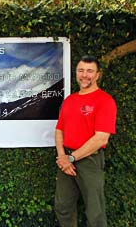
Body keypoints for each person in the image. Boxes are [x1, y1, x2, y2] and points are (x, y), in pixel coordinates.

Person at [54, 55, 117, 227]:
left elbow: (101, 138)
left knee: (95, 212)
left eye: (90, 71)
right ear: (76, 73)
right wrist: (62, 157)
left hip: (89, 160)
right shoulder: (70, 100)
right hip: (66, 160)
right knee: (63, 207)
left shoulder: (105, 101)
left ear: (97, 75)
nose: (85, 75)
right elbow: (59, 130)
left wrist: (72, 158)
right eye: (81, 70)